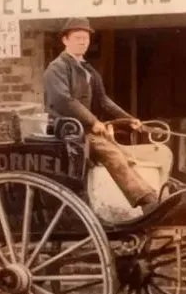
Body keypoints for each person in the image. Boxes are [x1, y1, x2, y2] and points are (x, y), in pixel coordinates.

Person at [43, 18, 157, 211]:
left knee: (126, 155)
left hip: (84, 130)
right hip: (66, 130)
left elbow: (103, 100)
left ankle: (151, 196)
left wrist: (129, 119)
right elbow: (64, 100)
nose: (83, 42)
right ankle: (147, 202)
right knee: (112, 154)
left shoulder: (87, 69)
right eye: (78, 38)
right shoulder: (58, 67)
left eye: (86, 38)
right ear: (65, 40)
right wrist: (93, 121)